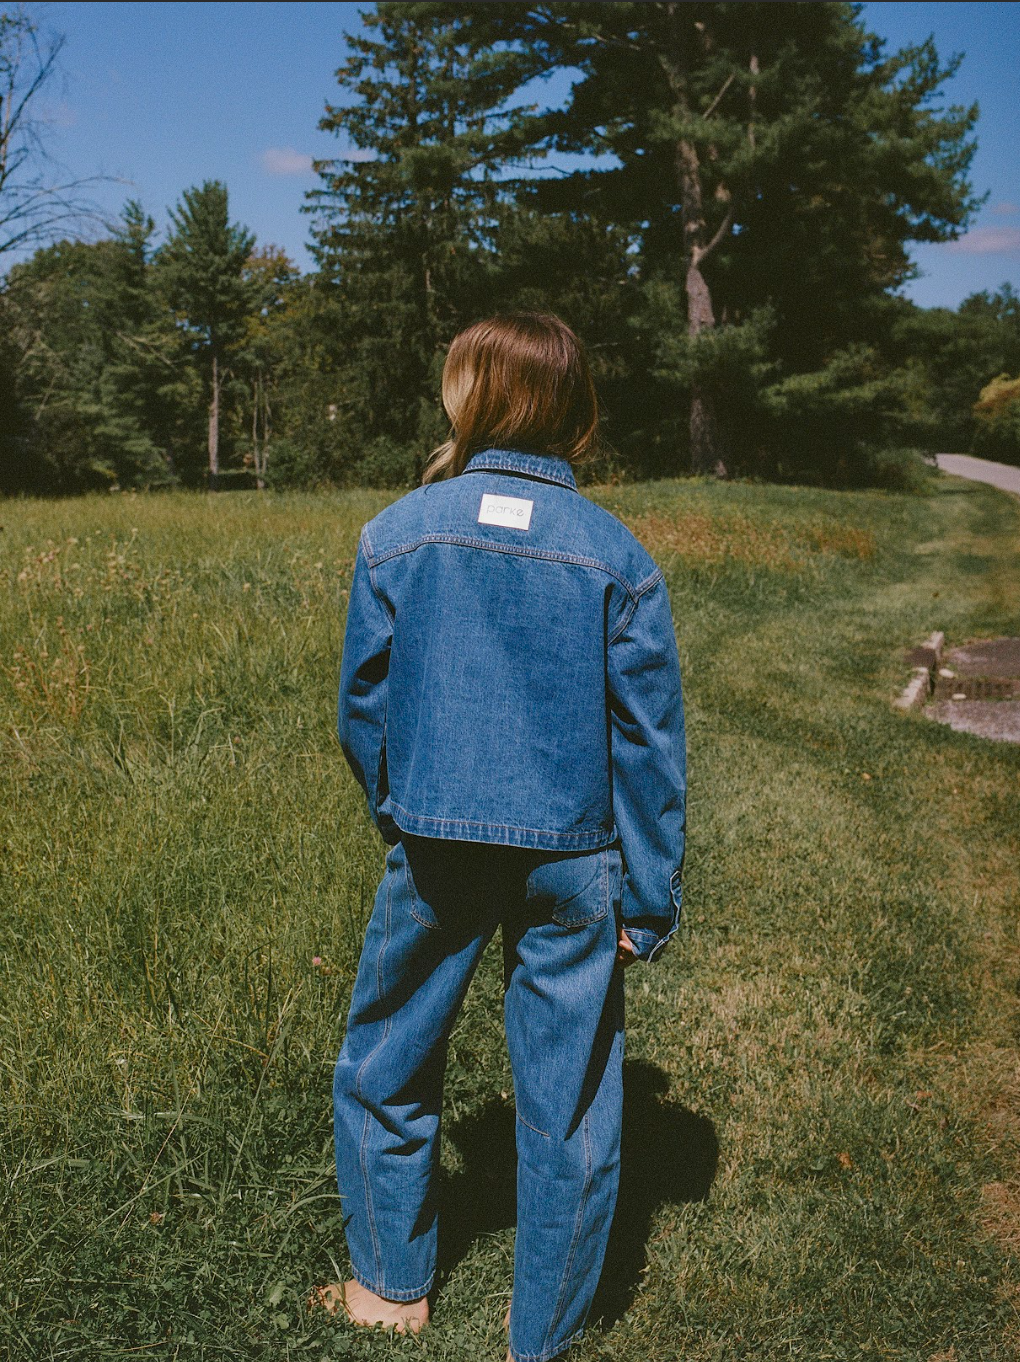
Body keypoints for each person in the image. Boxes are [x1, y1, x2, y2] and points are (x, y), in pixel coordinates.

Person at [313, 312, 686, 1362]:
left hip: (435, 845)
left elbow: (362, 708)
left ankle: (392, 1286)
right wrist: (646, 901)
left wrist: (404, 804)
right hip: (577, 860)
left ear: (468, 397)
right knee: (566, 1098)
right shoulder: (618, 555)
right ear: (574, 408)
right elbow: (649, 747)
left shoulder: (398, 533)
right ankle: (545, 1332)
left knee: (387, 1060)